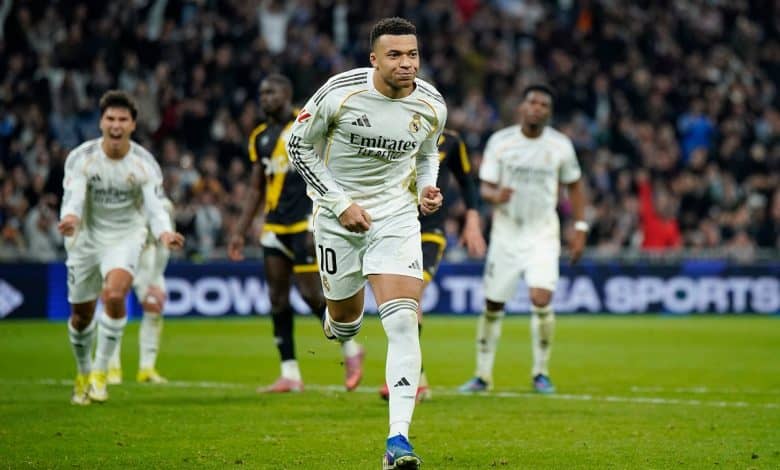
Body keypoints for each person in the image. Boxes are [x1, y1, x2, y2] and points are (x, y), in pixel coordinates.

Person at [286, 17, 446, 470]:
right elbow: (299, 148)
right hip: (338, 220)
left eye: (412, 54)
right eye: (395, 55)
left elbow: (429, 148)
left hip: (395, 217)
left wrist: (425, 187)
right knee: (347, 322)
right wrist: (339, 204)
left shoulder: (432, 101)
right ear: (374, 59)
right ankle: (337, 323)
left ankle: (398, 440)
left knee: (403, 321)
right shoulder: (340, 92)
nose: (406, 63)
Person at [228, 74, 364, 393]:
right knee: (276, 298)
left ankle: (351, 349)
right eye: (261, 92)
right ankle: (290, 374)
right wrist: (239, 231)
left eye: (271, 92)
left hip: (307, 219)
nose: (264, 98)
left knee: (311, 294)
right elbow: (255, 187)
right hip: (275, 225)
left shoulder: (307, 123)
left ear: (287, 93)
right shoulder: (259, 137)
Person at [459, 84, 587, 395]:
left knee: (541, 298)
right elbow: (484, 187)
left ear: (549, 112)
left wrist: (580, 226)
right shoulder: (501, 142)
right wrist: (495, 194)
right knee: (493, 304)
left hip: (543, 233)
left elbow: (575, 185)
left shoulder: (560, 146)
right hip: (506, 233)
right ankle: (482, 375)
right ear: (522, 107)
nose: (537, 108)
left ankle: (541, 372)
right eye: (532, 102)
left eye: (544, 104)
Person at [59, 90, 184, 405]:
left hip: (126, 237)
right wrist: (70, 218)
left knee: (115, 295)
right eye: (110, 118)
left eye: (122, 119)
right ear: (101, 122)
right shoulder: (81, 157)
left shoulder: (144, 163)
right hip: (85, 239)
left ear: (132, 125)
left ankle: (100, 375)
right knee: (81, 317)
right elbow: (73, 196)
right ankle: (83, 373)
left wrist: (165, 233)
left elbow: (155, 207)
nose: (116, 125)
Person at [379, 129, 486, 402]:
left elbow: (466, 181)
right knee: (402, 302)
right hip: (396, 228)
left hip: (429, 231)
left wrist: (472, 221)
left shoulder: (450, 140)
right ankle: (415, 378)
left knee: (412, 295)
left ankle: (411, 379)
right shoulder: (389, 131)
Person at [106, 198, 175, 385]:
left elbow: (165, 246)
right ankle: (111, 368)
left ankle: (147, 369)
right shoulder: (119, 202)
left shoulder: (164, 207)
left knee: (154, 308)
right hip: (121, 258)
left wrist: (155, 277)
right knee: (114, 309)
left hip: (149, 262)